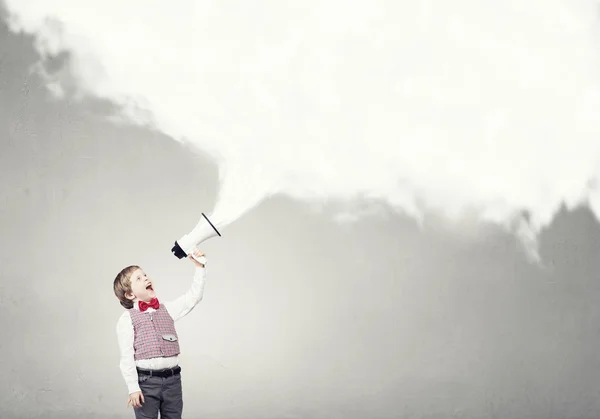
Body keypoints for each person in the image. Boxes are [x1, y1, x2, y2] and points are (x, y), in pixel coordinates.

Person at [113, 247, 207, 418]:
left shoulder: (168, 309)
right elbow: (126, 356)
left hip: (173, 381)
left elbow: (193, 297)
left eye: (145, 274)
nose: (146, 278)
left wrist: (199, 268)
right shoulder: (127, 319)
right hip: (146, 384)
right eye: (139, 278)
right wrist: (133, 388)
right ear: (129, 294)